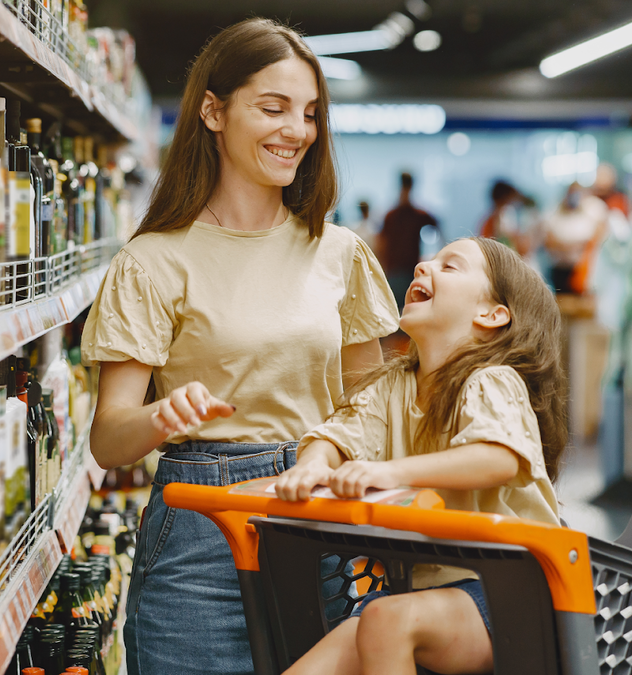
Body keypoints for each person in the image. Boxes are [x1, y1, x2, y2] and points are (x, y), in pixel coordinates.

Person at [79, 18, 400, 675]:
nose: (296, 131)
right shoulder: (153, 260)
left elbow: (372, 407)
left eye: (309, 113)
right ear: (213, 111)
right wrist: (161, 416)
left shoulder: (339, 253)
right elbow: (109, 439)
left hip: (321, 525)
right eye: (273, 107)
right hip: (201, 535)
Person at [274, 237, 567, 675]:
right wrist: (314, 465)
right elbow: (339, 434)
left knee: (385, 619)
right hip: (414, 594)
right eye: (430, 259)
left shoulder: (491, 380)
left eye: (450, 266)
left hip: (514, 594)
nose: (422, 266)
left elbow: (498, 457)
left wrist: (390, 472)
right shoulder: (392, 385)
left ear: (491, 314)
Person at [377, 172, 440, 310]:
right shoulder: (399, 215)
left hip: (405, 270)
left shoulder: (395, 215)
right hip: (400, 270)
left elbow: (381, 245)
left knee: (400, 312)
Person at [544, 182, 607, 294]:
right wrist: (570, 246)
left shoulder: (591, 212)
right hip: (560, 267)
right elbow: (548, 241)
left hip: (581, 269)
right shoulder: (555, 213)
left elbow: (598, 235)